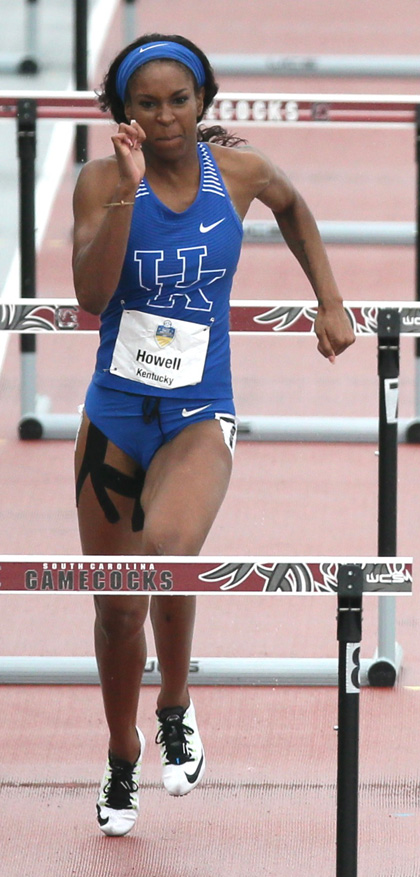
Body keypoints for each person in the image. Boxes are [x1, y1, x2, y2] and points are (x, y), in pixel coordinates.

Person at [73, 34, 354, 836]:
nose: (165, 117)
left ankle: (175, 703)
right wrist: (128, 192)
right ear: (123, 112)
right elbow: (93, 297)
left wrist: (329, 302)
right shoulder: (99, 183)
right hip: (116, 409)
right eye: (148, 103)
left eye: (179, 100)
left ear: (203, 100)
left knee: (167, 546)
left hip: (199, 406)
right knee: (118, 605)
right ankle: (122, 754)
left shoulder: (239, 171)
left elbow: (294, 208)